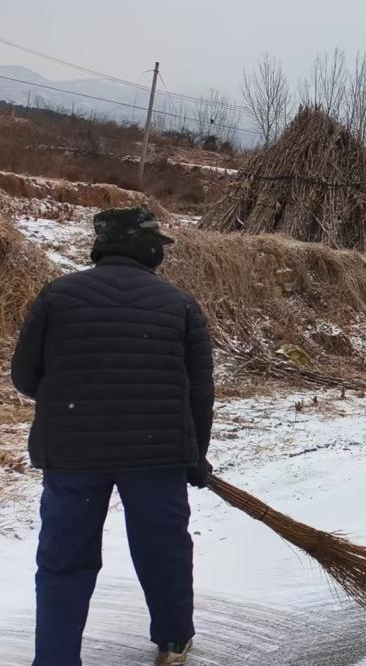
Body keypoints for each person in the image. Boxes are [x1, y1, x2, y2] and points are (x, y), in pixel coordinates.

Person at [10, 208, 214, 666]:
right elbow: (199, 392)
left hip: (73, 454)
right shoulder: (179, 304)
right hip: (156, 456)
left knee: (65, 559)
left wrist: (73, 399)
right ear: (147, 248)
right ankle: (173, 643)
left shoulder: (58, 296)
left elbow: (24, 376)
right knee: (163, 551)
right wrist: (195, 456)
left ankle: (56, 660)